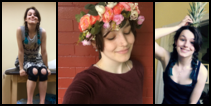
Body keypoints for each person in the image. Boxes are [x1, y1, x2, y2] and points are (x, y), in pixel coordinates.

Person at [63, 2, 145, 104]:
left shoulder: (138, 69)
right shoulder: (88, 82)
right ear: (95, 43)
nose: (124, 42)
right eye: (111, 37)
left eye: (127, 31)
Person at [155, 15, 207, 104]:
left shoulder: (201, 71)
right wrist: (178, 27)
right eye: (182, 39)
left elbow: (192, 102)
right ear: (176, 41)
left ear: (196, 47)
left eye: (192, 42)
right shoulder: (166, 58)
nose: (186, 45)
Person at [15, 7, 51, 104]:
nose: (32, 16)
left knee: (43, 72)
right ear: (26, 19)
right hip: (24, 58)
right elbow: (21, 50)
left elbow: (43, 51)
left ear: (38, 19)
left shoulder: (42, 32)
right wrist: (21, 68)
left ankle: (42, 102)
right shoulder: (20, 30)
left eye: (35, 15)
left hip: (36, 58)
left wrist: (47, 68)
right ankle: (29, 102)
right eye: (29, 14)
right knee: (34, 71)